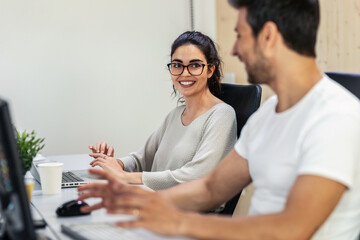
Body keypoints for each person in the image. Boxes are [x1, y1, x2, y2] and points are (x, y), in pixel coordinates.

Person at [78, 0, 360, 239]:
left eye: (240, 35)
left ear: (268, 36)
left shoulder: (335, 116)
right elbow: (211, 187)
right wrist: (134, 201)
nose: (235, 50)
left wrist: (178, 221)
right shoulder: (268, 115)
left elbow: (292, 228)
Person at [88, 31, 237, 190]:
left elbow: (197, 175)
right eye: (177, 65)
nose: (184, 73)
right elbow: (142, 159)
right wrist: (115, 163)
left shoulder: (222, 115)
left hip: (185, 211)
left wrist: (126, 176)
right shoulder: (175, 115)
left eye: (195, 65)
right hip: (155, 200)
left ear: (210, 70)